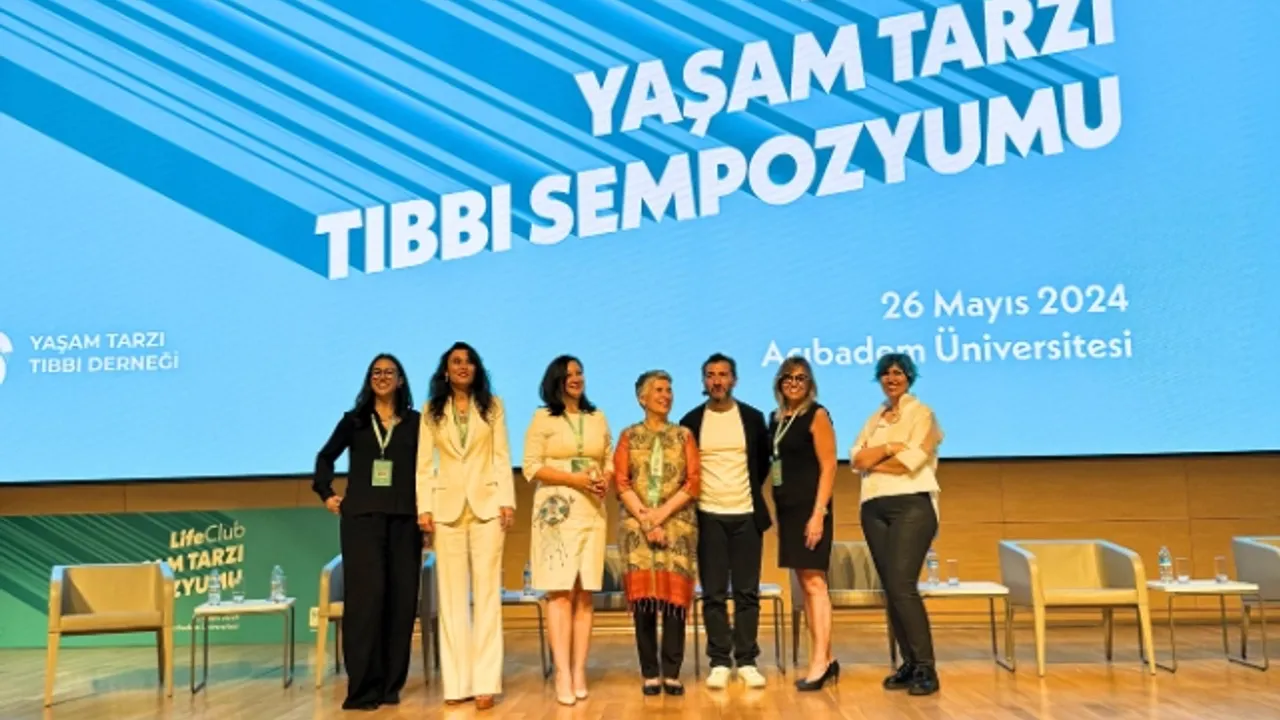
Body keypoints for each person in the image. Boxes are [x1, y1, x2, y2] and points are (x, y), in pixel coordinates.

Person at [313, 354, 422, 711]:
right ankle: (362, 688)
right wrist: (326, 492)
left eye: (389, 372)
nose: (382, 377)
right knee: (366, 601)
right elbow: (325, 457)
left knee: (401, 602)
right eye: (376, 372)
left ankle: (390, 685)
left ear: (401, 380)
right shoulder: (355, 420)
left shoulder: (416, 423)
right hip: (362, 520)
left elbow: (430, 469)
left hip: (405, 519)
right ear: (368, 379)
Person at [415, 342, 515, 711]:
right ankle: (457, 683)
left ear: (477, 369)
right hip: (446, 508)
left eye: (469, 361)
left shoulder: (493, 406)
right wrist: (425, 508)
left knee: (487, 595)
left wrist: (507, 500)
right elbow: (424, 465)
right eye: (456, 362)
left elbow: (502, 455)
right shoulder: (431, 410)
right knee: (452, 597)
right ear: (446, 370)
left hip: (487, 505)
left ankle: (486, 683)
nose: (463, 367)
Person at [521, 355, 614, 706]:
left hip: (592, 510)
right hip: (555, 513)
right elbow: (531, 466)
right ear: (555, 380)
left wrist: (604, 479)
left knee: (585, 592)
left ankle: (579, 671)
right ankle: (561, 672)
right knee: (560, 592)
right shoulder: (542, 417)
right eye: (568, 374)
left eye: (579, 373)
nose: (575, 378)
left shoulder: (597, 416)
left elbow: (608, 457)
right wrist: (574, 479)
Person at [851, 353, 944, 696]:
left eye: (898, 373)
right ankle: (909, 663)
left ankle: (926, 668)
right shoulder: (875, 417)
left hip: (912, 506)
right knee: (891, 588)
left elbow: (912, 462)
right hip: (873, 507)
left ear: (909, 377)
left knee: (903, 586)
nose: (891, 379)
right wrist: (890, 447)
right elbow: (855, 458)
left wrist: (873, 461)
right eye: (886, 374)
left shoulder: (923, 414)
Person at [678, 353, 772, 690]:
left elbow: (762, 464)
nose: (717, 380)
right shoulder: (690, 421)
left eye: (723, 374)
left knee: (747, 593)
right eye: (711, 375)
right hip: (708, 516)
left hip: (746, 514)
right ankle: (719, 660)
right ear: (704, 381)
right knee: (714, 594)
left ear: (734, 379)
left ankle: (746, 660)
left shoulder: (752, 418)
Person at [613, 370, 701, 696]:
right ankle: (650, 672)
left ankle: (672, 672)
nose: (666, 396)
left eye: (669, 390)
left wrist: (661, 516)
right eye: (659, 390)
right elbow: (621, 482)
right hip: (637, 527)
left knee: (674, 600)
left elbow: (693, 482)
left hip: (677, 525)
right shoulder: (628, 436)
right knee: (645, 601)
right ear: (642, 398)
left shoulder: (684, 436)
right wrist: (647, 522)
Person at [768, 356, 838, 691]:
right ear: (779, 382)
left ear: (810, 384)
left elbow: (829, 466)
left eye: (800, 378)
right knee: (805, 585)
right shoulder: (776, 419)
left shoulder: (817, 414)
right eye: (788, 377)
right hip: (789, 512)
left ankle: (819, 662)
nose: (794, 383)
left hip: (812, 511)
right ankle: (828, 657)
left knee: (814, 584)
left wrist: (818, 514)